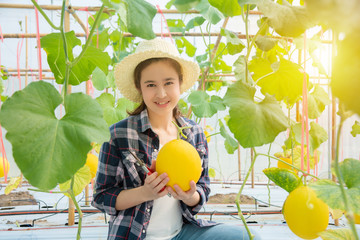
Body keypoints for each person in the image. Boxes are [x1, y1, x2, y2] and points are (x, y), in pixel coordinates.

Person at [92, 38, 261, 240]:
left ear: (180, 83)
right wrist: (145, 193)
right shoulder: (118, 134)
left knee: (245, 236)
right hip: (133, 235)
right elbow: (101, 197)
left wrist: (190, 196)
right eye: (151, 84)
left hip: (182, 234)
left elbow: (203, 188)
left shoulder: (194, 132)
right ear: (140, 88)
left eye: (169, 82)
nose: (161, 93)